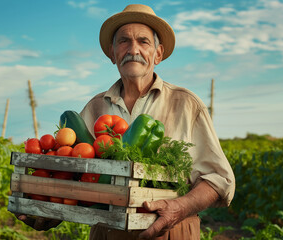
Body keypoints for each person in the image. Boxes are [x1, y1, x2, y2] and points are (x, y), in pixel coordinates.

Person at [17, 4, 235, 240]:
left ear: (158, 53)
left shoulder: (186, 104)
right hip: (107, 231)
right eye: (123, 41)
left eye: (143, 41)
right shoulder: (94, 107)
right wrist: (47, 211)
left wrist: (180, 208)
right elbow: (76, 179)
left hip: (172, 232)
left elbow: (219, 179)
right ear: (112, 53)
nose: (133, 49)